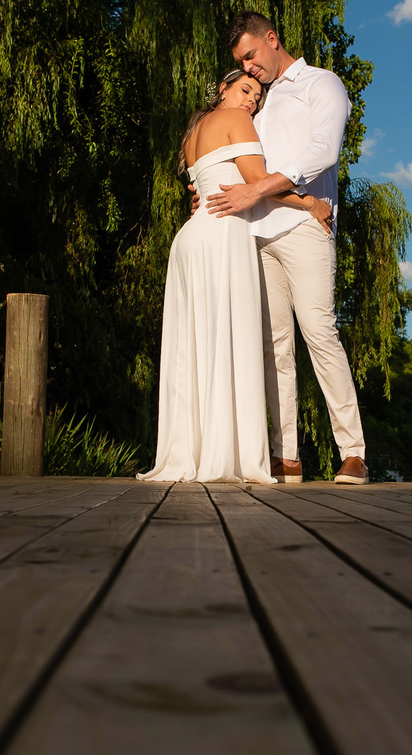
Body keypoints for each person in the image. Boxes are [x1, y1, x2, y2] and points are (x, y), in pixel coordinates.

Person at [139, 70, 331, 483]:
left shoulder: (192, 133)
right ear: (223, 89)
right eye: (246, 90)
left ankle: (195, 453)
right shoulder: (234, 120)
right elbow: (259, 183)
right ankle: (226, 457)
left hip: (191, 241)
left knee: (198, 349)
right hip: (223, 238)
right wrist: (311, 203)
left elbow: (211, 183)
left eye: (258, 98)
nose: (251, 102)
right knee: (230, 342)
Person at [206, 11, 369, 485]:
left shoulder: (321, 84)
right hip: (257, 233)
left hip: (304, 228)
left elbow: (324, 151)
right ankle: (286, 456)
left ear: (272, 40)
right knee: (274, 347)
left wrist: (258, 191)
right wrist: (211, 185)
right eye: (241, 62)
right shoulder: (255, 103)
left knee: (320, 331)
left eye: (251, 56)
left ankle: (354, 452)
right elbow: (239, 161)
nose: (249, 68)